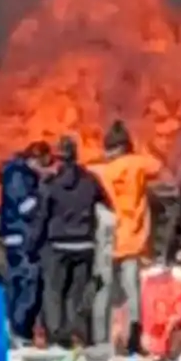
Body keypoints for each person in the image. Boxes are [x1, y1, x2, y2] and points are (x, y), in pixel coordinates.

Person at [90, 120, 165, 353]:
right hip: (132, 240)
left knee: (103, 290)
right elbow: (158, 166)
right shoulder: (137, 165)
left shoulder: (100, 170)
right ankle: (135, 336)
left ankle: (99, 340)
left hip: (106, 241)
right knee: (133, 292)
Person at [32, 136, 111, 347]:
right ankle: (77, 334)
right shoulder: (91, 180)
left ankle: (57, 334)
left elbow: (42, 216)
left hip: (58, 245)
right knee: (77, 292)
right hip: (85, 244)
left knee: (54, 291)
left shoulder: (51, 184)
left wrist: (33, 244)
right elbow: (107, 204)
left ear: (59, 158)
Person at [0, 141, 54, 343]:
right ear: (35, 159)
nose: (45, 168)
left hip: (22, 237)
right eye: (44, 163)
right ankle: (18, 331)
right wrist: (41, 192)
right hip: (18, 238)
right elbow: (24, 208)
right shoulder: (17, 177)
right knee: (25, 284)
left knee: (25, 285)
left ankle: (19, 330)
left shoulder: (22, 174)